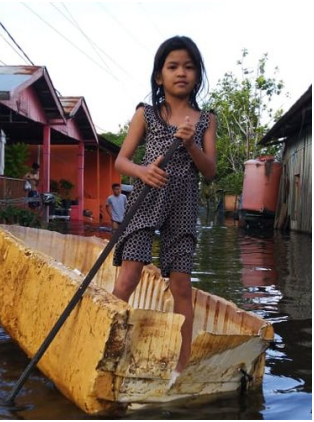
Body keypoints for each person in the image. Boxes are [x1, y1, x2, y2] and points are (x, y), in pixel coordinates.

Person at [111, 36, 217, 382]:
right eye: (173, 67)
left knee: (182, 284)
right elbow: (121, 161)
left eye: (189, 67)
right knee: (130, 274)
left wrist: (190, 143)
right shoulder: (147, 114)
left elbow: (210, 170)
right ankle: (105, 342)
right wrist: (142, 171)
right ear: (160, 76)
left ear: (197, 76)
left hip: (184, 204)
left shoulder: (204, 120)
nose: (181, 73)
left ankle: (180, 367)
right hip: (146, 200)